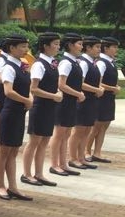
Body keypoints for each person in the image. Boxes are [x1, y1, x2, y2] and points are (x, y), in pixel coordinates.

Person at [0, 35, 33, 201]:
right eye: (22, 46)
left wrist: (29, 98)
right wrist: (26, 100)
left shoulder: (22, 66)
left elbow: (27, 87)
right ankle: (1, 185)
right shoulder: (8, 67)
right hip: (9, 112)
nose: (26, 50)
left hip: (20, 113)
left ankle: (13, 186)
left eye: (26, 46)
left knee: (14, 151)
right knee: (4, 151)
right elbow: (8, 91)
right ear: (12, 48)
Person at [21, 32, 63, 187]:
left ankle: (39, 173)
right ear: (45, 46)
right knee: (34, 141)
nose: (58, 47)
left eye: (59, 44)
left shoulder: (53, 63)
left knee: (44, 141)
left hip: (50, 106)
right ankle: (26, 174)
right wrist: (53, 95)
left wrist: (57, 93)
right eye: (55, 44)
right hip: (40, 107)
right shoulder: (39, 64)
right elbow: (33, 89)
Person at [48, 33, 85, 177]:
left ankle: (63, 164)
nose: (81, 47)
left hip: (71, 102)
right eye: (79, 44)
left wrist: (77, 94)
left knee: (67, 134)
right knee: (59, 134)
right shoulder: (66, 62)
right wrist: (78, 94)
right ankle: (54, 164)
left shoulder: (74, 62)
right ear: (70, 45)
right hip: (63, 102)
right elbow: (61, 84)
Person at [68, 36, 104, 170]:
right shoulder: (83, 63)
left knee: (87, 130)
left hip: (92, 101)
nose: (99, 50)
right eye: (97, 47)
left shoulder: (92, 62)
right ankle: (73, 158)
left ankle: (81, 157)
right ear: (88, 48)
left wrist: (98, 88)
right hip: (83, 100)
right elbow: (80, 83)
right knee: (78, 130)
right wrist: (96, 89)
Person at [86, 37, 120, 163]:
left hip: (109, 99)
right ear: (106, 48)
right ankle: (86, 151)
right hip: (101, 98)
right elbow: (98, 82)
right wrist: (112, 88)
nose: (116, 50)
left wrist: (115, 87)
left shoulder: (111, 62)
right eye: (114, 47)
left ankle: (97, 152)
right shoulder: (101, 63)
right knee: (95, 127)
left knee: (104, 126)